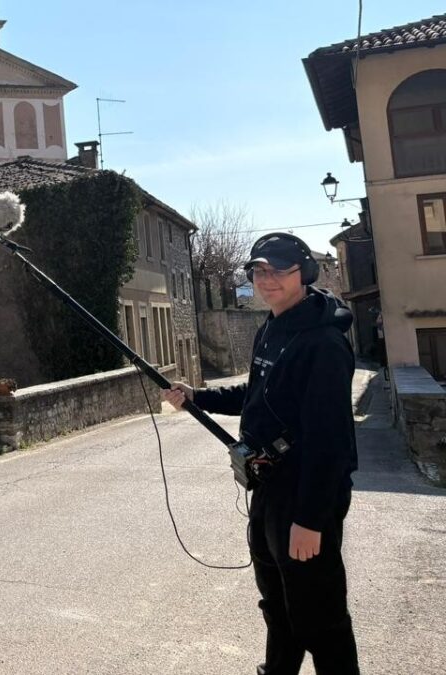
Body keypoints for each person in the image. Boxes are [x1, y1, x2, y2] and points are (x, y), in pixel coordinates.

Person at [163, 232, 359, 675]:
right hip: (268, 489)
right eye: (258, 270)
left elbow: (329, 443)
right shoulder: (271, 328)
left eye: (278, 270)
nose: (267, 279)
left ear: (304, 273)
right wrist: (197, 396)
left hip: (304, 497)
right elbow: (256, 395)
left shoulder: (323, 344)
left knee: (321, 618)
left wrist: (310, 520)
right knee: (277, 603)